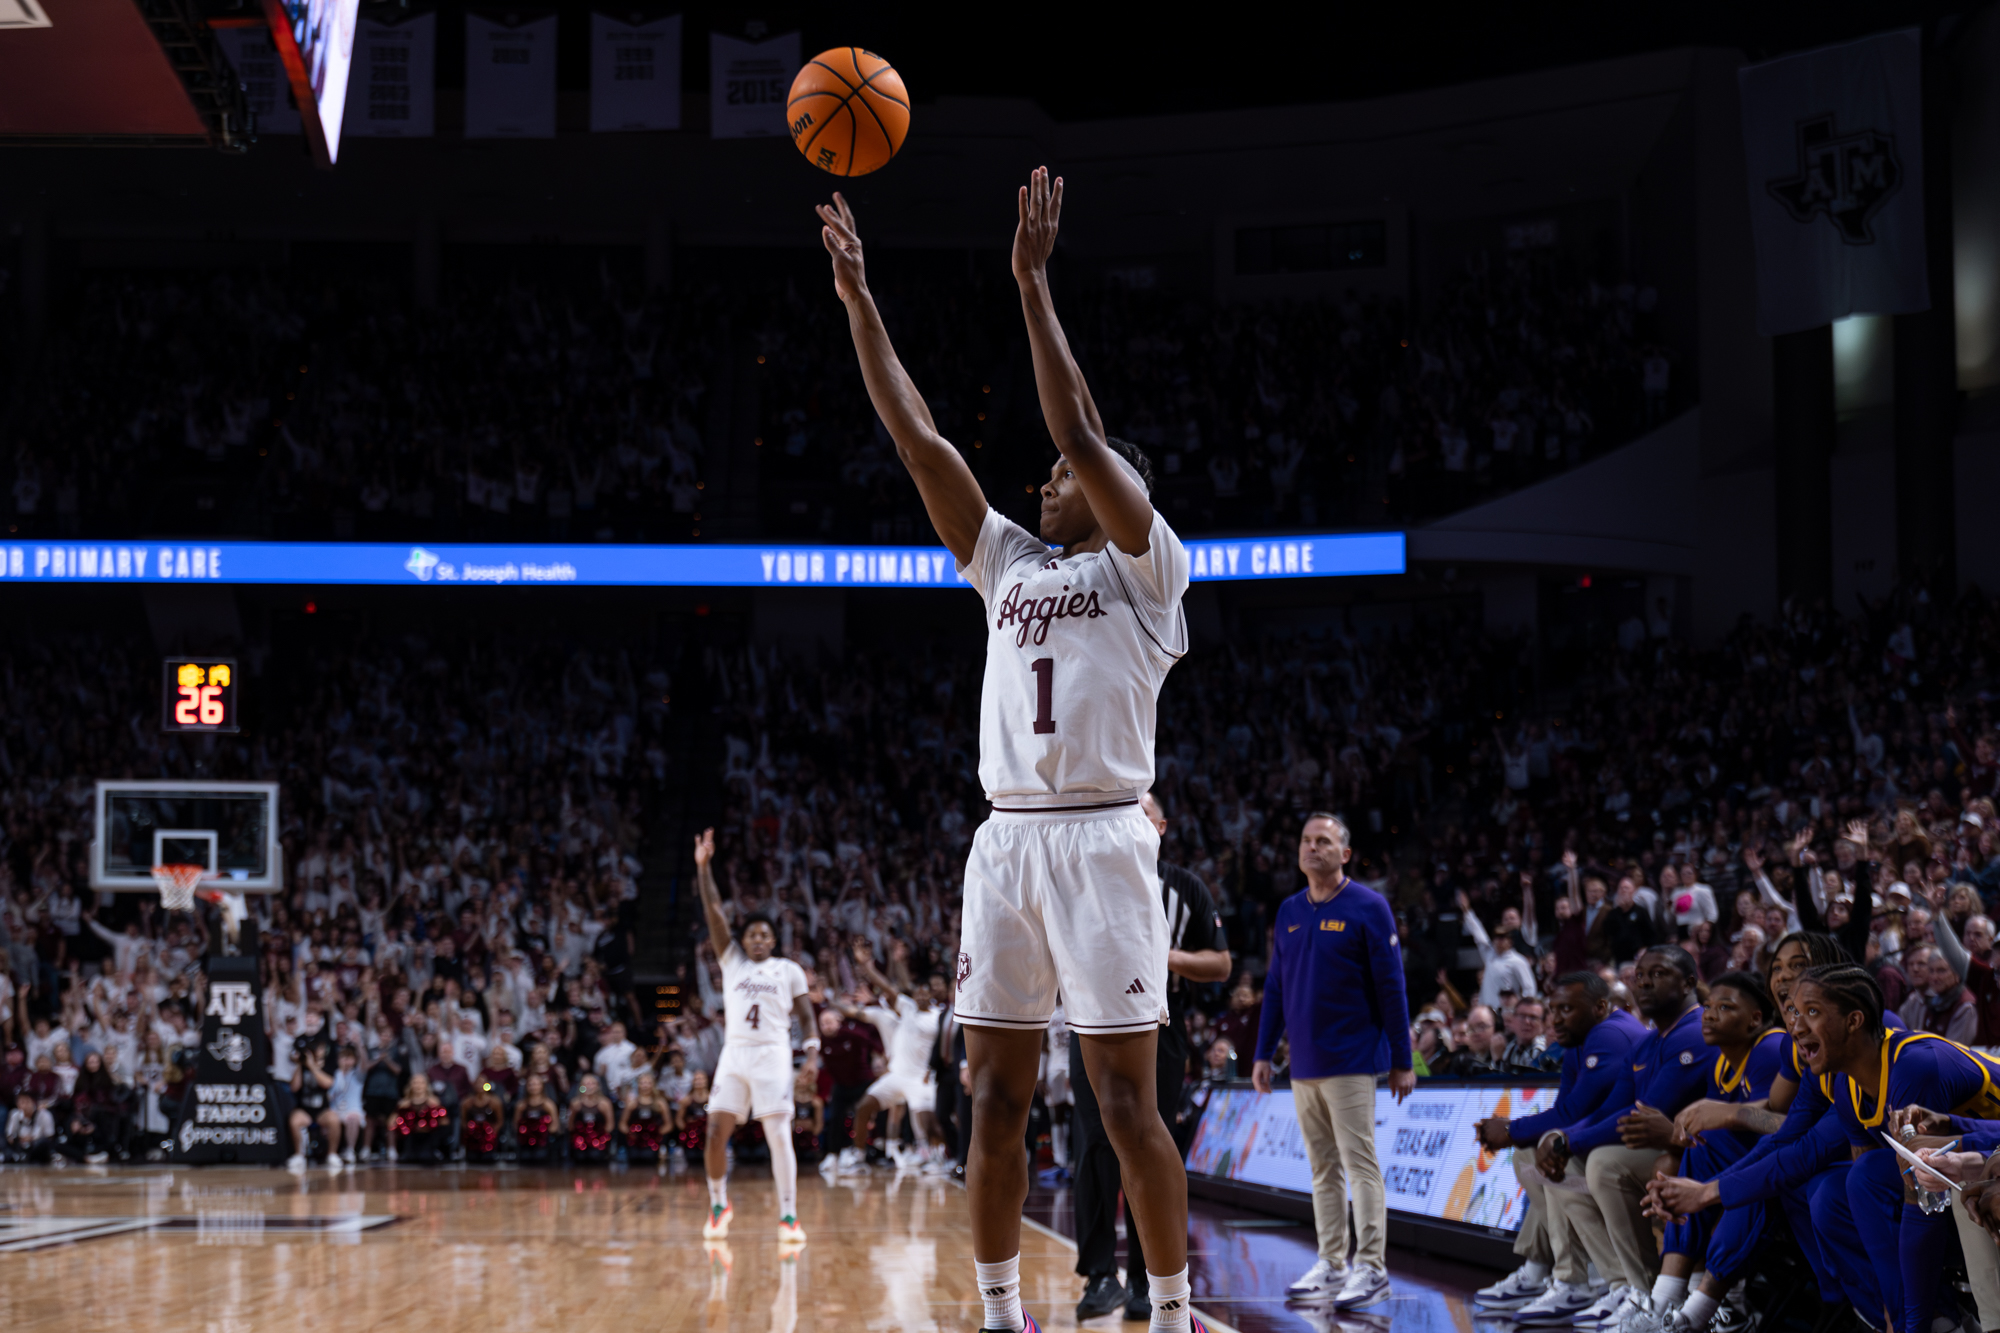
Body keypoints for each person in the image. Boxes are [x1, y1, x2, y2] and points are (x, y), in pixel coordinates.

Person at [819, 168, 1201, 1333]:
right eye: (1036, 478)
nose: (1041, 483)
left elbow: (1076, 428)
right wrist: (857, 301)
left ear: (1110, 491)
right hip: (1006, 842)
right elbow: (917, 436)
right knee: (991, 1095)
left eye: (1059, 480)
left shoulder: (1147, 572)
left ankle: (1174, 1310)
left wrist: (1032, 283)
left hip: (1097, 838)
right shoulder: (1008, 566)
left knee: (1124, 1107)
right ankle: (994, 1314)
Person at [1072, 791, 1231, 1322]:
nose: (1126, 820)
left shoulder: (1184, 887)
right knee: (1095, 1145)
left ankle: (1148, 1278)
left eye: (1140, 813)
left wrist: (1162, 955)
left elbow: (1221, 963)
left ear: (1159, 827)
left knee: (1149, 1143)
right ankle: (1099, 1276)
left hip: (1159, 1025)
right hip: (1089, 1020)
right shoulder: (1082, 877)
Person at [1253, 814, 1415, 1311]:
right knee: (1323, 1169)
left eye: (1324, 841)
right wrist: (1263, 1052)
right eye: (1306, 840)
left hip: (1352, 1059)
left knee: (1359, 1165)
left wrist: (1402, 1059)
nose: (1312, 848)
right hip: (1303, 1063)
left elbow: (1392, 986)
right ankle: (1332, 1262)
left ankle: (1371, 1268)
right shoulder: (1288, 911)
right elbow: (1277, 987)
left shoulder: (1370, 906)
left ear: (1345, 853)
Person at [1532, 946, 1714, 1329]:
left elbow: (1644, 1113)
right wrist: (1562, 1138)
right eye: (1640, 974)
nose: (1644, 981)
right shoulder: (1647, 1042)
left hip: (1702, 1153)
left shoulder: (1696, 1032)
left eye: (1658, 973)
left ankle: (1650, 1293)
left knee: (1604, 1163)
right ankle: (1623, 1285)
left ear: (1689, 984)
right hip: (1663, 1148)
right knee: (1561, 1166)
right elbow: (1610, 1109)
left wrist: (1569, 1142)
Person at [1472, 972, 1648, 1314]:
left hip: (1635, 1141)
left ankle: (1605, 1279)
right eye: (1553, 1009)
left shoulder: (1611, 1034)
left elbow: (1574, 1112)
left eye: (1566, 1009)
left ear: (1600, 1007)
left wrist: (1510, 1130)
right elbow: (1564, 1111)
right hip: (1604, 1136)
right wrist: (1521, 1134)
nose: (1554, 1020)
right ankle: (1551, 1272)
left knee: (1555, 1159)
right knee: (1528, 1157)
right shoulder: (1578, 1039)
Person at [694, 827, 817, 1243]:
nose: (758, 939)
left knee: (778, 1135)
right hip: (735, 1054)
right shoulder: (733, 963)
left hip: (773, 1054)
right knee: (714, 1131)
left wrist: (813, 1055)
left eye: (765, 934)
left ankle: (788, 1216)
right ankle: (717, 1203)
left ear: (774, 940)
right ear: (743, 941)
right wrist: (704, 867)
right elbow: (714, 911)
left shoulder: (789, 970)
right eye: (751, 935)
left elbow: (806, 1014)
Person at [831, 940, 950, 1175]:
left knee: (927, 1122)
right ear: (914, 995)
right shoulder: (907, 1008)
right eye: (918, 992)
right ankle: (859, 1155)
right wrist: (867, 966)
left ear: (931, 995)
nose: (921, 995)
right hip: (897, 1075)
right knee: (864, 1107)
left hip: (921, 1078)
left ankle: (939, 1157)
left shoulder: (939, 1016)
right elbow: (887, 987)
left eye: (926, 991)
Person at [287, 1041, 343, 1173]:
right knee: (295, 1120)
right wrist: (300, 1065)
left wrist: (312, 1066)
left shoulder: (328, 1065)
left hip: (322, 1110)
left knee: (334, 1119)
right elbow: (294, 1087)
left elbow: (327, 1084)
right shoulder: (302, 1066)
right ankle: (299, 1155)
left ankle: (332, 1154)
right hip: (305, 1109)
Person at [621, 1070, 672, 1168]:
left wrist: (656, 1135)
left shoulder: (660, 1103)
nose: (645, 1086)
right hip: (636, 1142)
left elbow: (668, 1125)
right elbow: (622, 1124)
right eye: (642, 1083)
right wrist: (631, 1134)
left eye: (648, 1083)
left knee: (649, 1157)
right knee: (634, 1157)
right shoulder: (632, 1103)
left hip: (653, 1142)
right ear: (638, 1085)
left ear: (653, 1085)